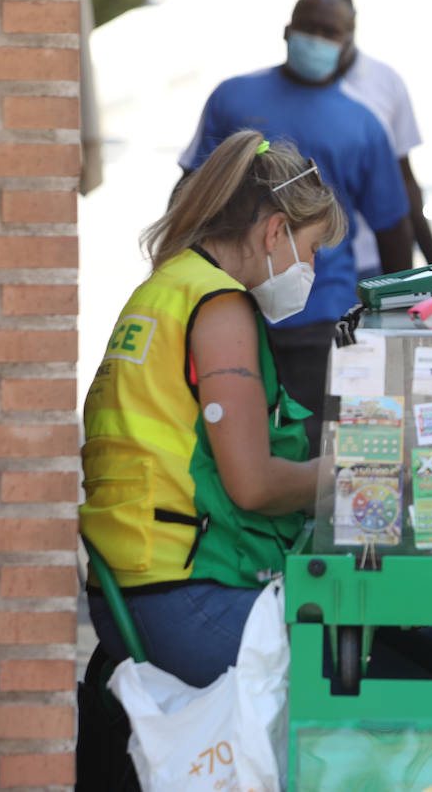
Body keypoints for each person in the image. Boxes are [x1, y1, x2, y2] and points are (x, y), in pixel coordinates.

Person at [82, 130, 346, 687]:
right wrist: (351, 473)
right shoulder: (221, 307)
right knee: (356, 676)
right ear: (275, 231)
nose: (313, 267)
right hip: (185, 596)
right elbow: (253, 485)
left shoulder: (165, 288)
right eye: (312, 249)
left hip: (132, 590)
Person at [177, 0, 412, 443]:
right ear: (287, 30)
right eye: (309, 28)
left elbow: (393, 230)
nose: (317, 39)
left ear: (349, 42)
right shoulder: (232, 98)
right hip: (228, 304)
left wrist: (396, 322)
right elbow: (189, 193)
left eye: (330, 31)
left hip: (319, 314)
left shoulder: (364, 124)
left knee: (311, 448)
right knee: (230, 443)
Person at [304, 0, 432, 272]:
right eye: (310, 24)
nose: (319, 36)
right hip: (292, 264)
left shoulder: (385, 84)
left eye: (331, 23)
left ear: (351, 23)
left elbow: (404, 182)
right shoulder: (269, 95)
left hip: (367, 261)